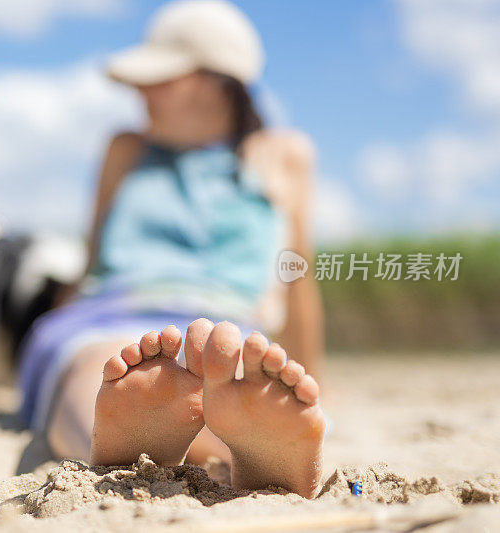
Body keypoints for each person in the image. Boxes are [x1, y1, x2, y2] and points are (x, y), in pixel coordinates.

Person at [17, 0, 325, 499]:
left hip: (227, 324)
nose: (139, 90)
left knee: (231, 370)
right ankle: (129, 438)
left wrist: (315, 378)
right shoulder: (126, 149)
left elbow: (296, 273)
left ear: (216, 81)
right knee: (103, 364)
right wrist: (53, 329)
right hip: (110, 311)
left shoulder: (284, 155)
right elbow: (90, 259)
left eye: (159, 77)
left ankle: (248, 447)